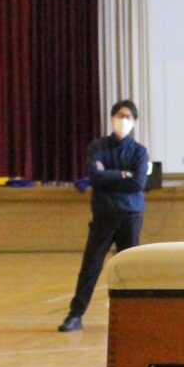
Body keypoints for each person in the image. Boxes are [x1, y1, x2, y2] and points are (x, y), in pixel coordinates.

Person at [57, 99, 148, 332]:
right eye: (119, 116)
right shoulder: (97, 147)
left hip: (130, 216)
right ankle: (75, 315)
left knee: (131, 268)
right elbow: (94, 178)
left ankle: (134, 317)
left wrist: (110, 175)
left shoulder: (139, 151)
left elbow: (138, 182)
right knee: (91, 265)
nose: (123, 120)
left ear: (135, 121)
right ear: (111, 118)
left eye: (128, 117)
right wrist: (123, 175)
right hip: (104, 215)